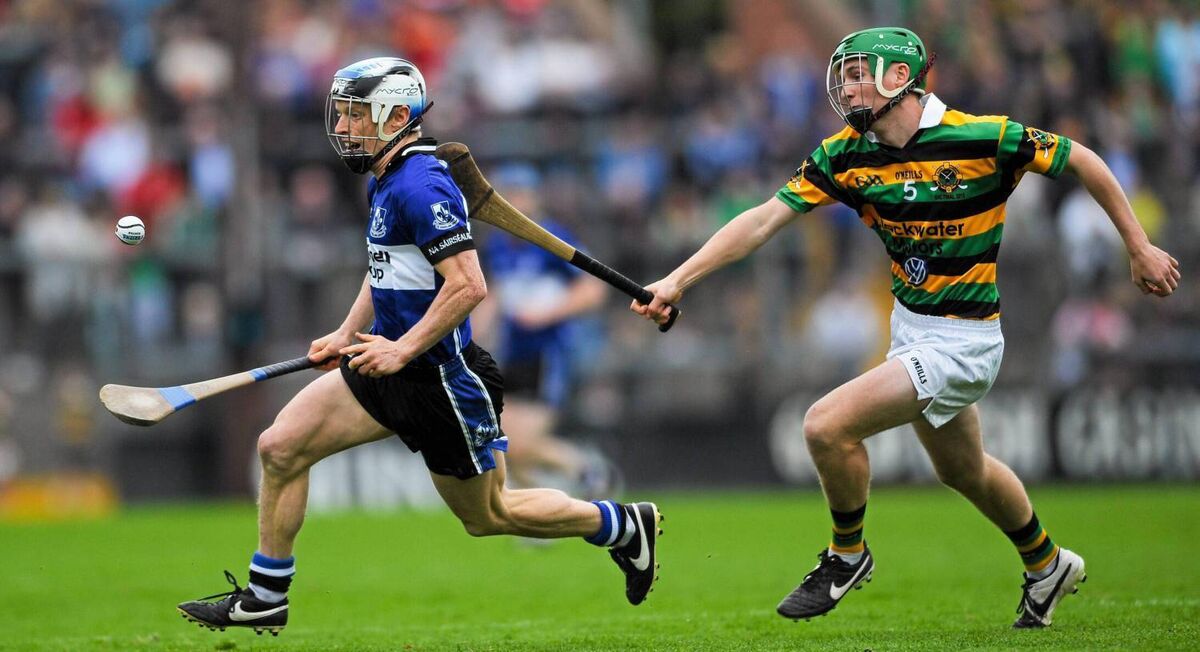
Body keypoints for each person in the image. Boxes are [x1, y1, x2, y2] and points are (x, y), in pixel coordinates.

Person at [633, 27, 1180, 629]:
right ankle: (1047, 564)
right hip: (912, 329)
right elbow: (762, 220)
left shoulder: (982, 136)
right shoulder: (845, 154)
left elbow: (1082, 159)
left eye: (858, 74)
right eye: (843, 76)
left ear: (900, 78)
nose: (846, 87)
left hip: (965, 341)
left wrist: (1138, 246)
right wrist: (677, 280)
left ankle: (847, 555)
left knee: (824, 426)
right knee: (964, 471)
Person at [177, 57, 662, 636]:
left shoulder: (421, 185)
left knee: (490, 514)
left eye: (357, 115)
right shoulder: (384, 178)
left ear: (396, 116)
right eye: (343, 114)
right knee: (280, 447)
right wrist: (347, 331)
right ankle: (266, 595)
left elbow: (469, 286)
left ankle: (620, 525)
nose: (344, 127)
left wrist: (402, 349)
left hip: (441, 380)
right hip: (383, 365)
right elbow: (385, 266)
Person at [475, 164, 614, 497]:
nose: (513, 203)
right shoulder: (497, 246)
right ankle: (544, 510)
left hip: (548, 353)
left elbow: (594, 289)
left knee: (519, 444)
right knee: (501, 444)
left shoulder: (552, 239)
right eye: (506, 196)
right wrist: (475, 328)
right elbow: (497, 293)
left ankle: (586, 468)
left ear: (534, 199)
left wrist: (546, 314)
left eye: (520, 194)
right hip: (513, 353)